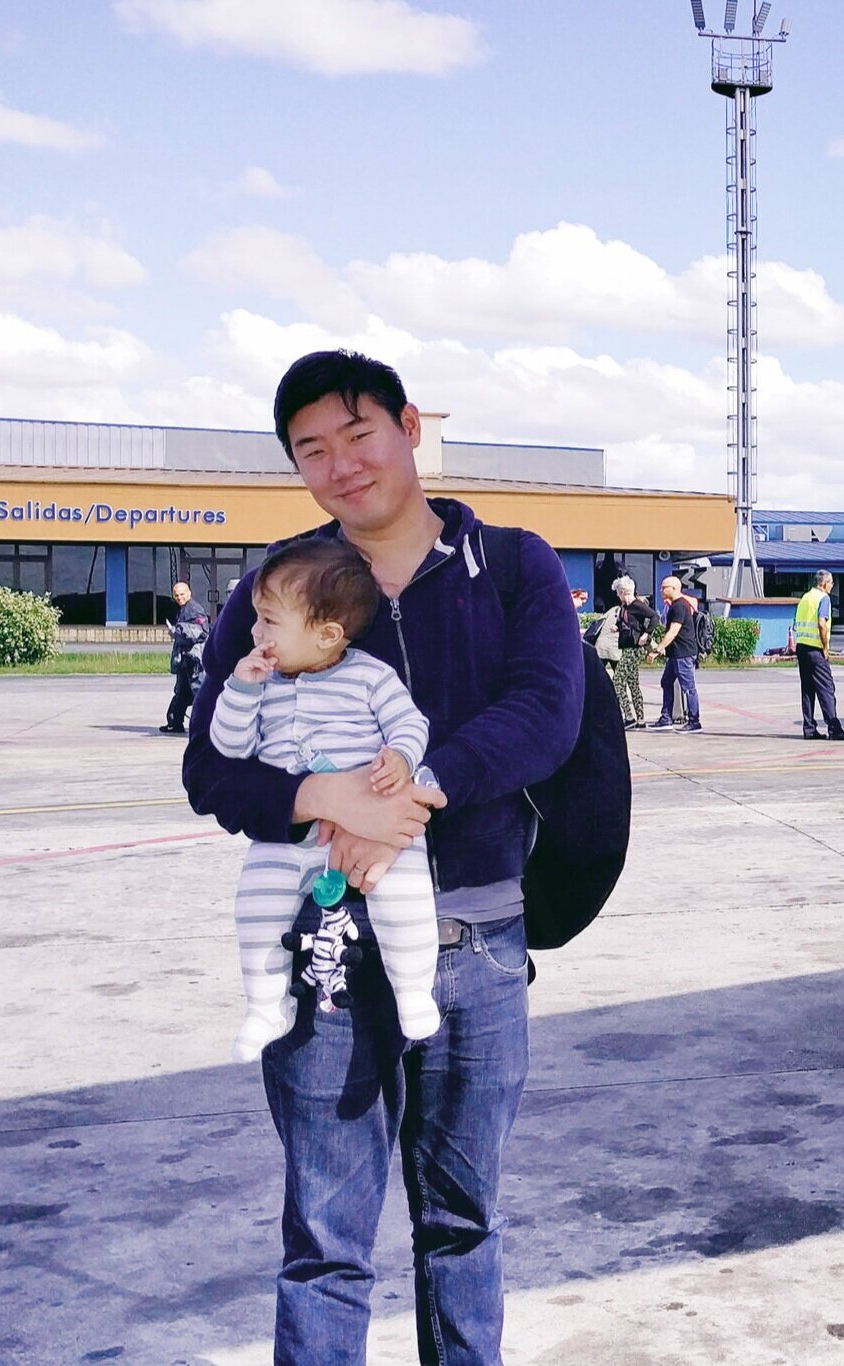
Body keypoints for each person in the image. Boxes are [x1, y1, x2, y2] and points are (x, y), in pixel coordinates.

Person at [182, 348, 582, 1365]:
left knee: (463, 1224)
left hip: (477, 942)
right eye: (311, 449)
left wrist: (404, 801)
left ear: (408, 427)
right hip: (320, 947)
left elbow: (545, 714)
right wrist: (326, 798)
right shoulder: (278, 587)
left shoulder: (515, 564)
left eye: (356, 433)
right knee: (325, 1240)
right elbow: (212, 769)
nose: (340, 464)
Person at [208, 537, 442, 1061]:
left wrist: (401, 758)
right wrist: (240, 692)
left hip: (375, 827)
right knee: (256, 905)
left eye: (269, 621)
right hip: (289, 836)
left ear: (327, 635)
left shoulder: (369, 676)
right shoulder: (260, 685)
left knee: (404, 894)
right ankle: (266, 1005)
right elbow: (228, 746)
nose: (254, 632)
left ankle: (413, 991)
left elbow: (410, 722)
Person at [792, 571, 844, 740]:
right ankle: (834, 728)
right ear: (824, 583)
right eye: (831, 583)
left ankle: (809, 728)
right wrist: (825, 646)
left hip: (802, 647)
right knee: (826, 688)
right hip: (815, 649)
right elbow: (821, 623)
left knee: (807, 689)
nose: (832, 586)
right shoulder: (823, 598)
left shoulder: (805, 597)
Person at [650, 574, 702, 732]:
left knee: (688, 687)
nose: (661, 590)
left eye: (664, 587)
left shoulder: (679, 606)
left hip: (683, 654)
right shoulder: (675, 605)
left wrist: (658, 649)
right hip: (675, 654)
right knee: (666, 682)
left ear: (673, 588)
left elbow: (673, 631)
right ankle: (666, 718)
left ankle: (694, 721)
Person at [601, 578, 655, 728]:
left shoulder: (637, 605)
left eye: (618, 593)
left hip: (633, 648)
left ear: (623, 592)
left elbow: (654, 617)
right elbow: (626, 622)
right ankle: (641, 719)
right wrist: (617, 627)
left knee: (617, 681)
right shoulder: (625, 607)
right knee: (633, 684)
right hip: (626, 647)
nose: (617, 596)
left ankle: (629, 716)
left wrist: (647, 634)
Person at [159, 581, 210, 734]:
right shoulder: (183, 610)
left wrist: (177, 631)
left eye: (182, 594)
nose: (179, 597)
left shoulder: (194, 610)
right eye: (176, 595)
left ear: (189, 593)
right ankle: (176, 723)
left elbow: (201, 632)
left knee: (199, 692)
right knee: (182, 692)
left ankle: (206, 725)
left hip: (194, 660)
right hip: (185, 660)